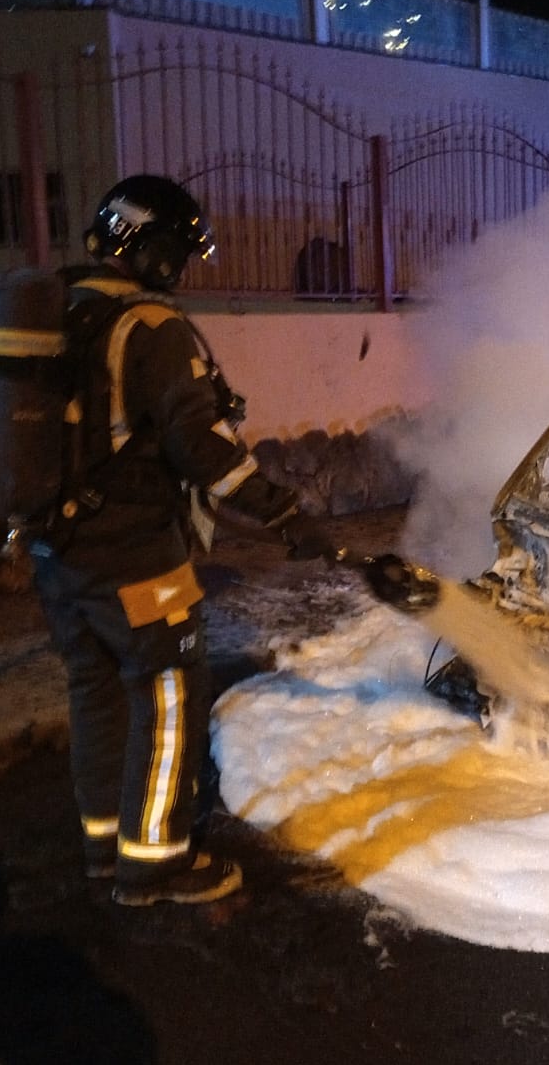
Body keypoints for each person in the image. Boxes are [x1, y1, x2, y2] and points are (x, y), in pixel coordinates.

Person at [28, 175, 330, 907]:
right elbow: (202, 448)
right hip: (133, 555)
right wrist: (284, 513)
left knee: (96, 690)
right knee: (169, 692)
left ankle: (106, 846)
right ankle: (156, 863)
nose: (182, 268)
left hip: (57, 552)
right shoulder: (151, 328)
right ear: (155, 250)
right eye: (179, 253)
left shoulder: (62, 311)